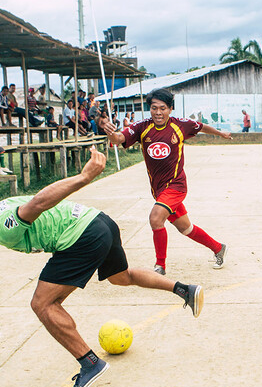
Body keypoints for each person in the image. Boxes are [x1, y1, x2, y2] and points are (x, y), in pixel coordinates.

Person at [0, 147, 204, 387]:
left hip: (81, 236)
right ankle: (184, 290)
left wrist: (83, 178)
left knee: (42, 303)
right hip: (100, 222)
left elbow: (37, 203)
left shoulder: (0, 227)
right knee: (121, 276)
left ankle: (89, 363)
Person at [99, 87, 230, 275]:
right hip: (158, 190)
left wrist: (221, 134)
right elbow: (119, 138)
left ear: (170, 109)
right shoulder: (142, 127)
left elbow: (201, 126)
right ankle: (218, 248)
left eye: (163, 108)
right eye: (154, 108)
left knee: (155, 218)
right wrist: (112, 134)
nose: (158, 113)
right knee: (186, 228)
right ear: (149, 109)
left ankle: (160, 266)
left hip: (176, 186)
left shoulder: (180, 125)